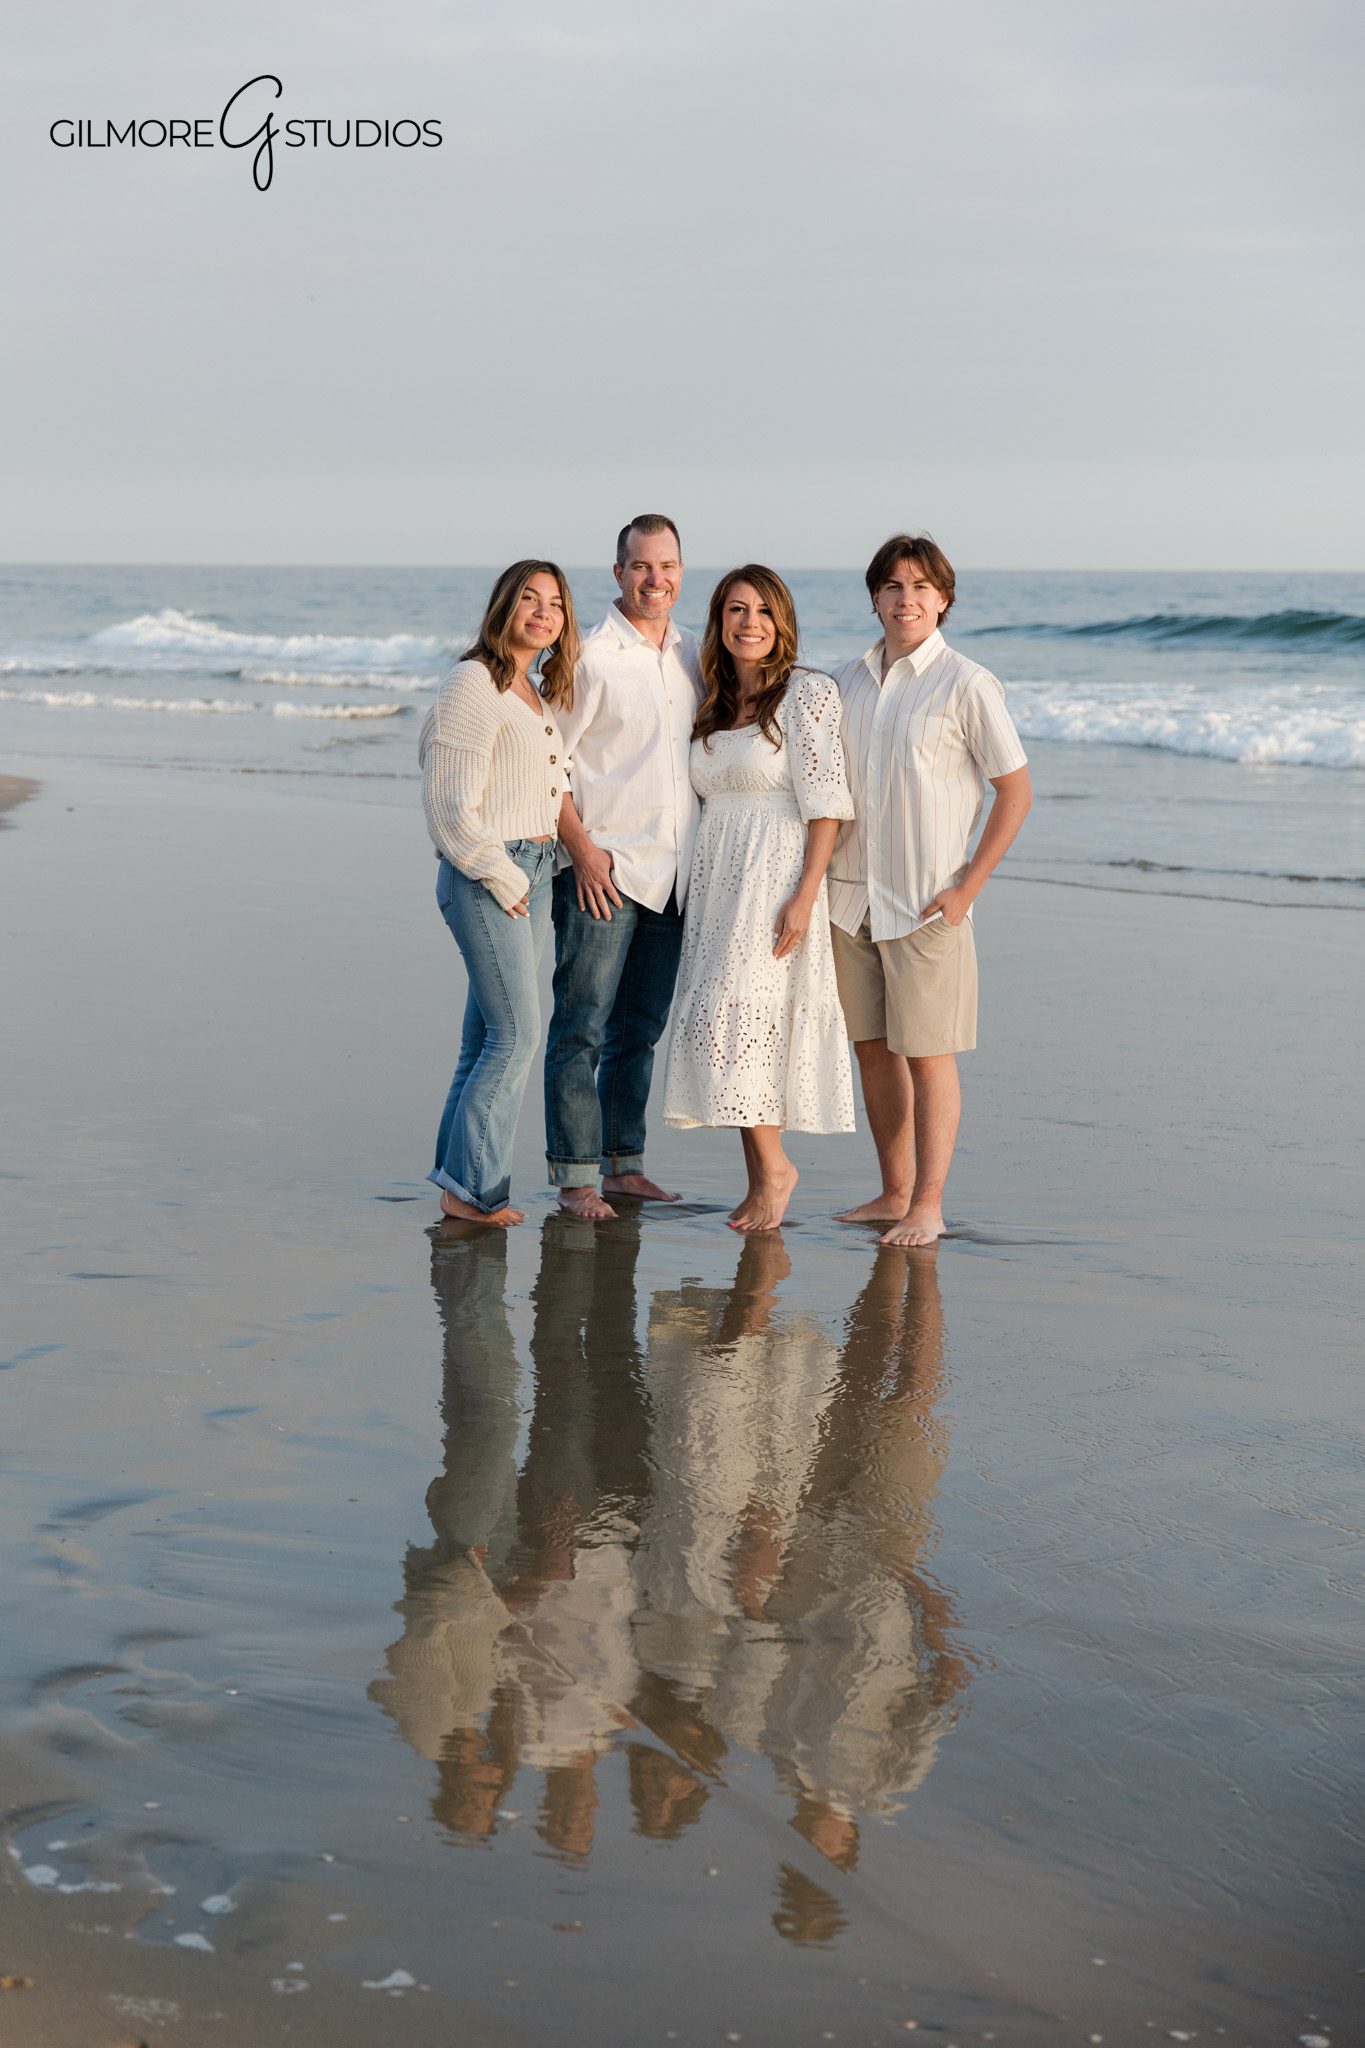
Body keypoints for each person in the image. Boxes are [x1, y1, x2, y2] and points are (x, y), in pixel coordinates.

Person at [828, 534, 1032, 1247]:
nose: (904, 598)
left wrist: (966, 889)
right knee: (873, 1050)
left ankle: (928, 1204)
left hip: (925, 903)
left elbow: (1014, 791)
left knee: (929, 1054)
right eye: (891, 585)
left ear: (943, 599)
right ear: (874, 598)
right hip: (848, 898)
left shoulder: (967, 684)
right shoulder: (843, 682)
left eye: (919, 586)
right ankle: (893, 1191)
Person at [661, 565, 855, 1230]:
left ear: (782, 624)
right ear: (718, 621)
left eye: (763, 612)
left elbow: (827, 804)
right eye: (737, 610)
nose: (750, 624)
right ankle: (760, 1177)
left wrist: (805, 896)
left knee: (746, 1023)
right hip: (717, 881)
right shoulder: (711, 700)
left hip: (775, 874)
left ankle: (776, 1171)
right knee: (731, 1025)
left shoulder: (807, 693)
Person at [544, 515, 703, 1221]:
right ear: (617, 573)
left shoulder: (695, 656)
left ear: (679, 571)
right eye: (640, 566)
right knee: (581, 1024)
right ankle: (577, 1175)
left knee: (639, 1027)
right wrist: (581, 851)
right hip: (601, 874)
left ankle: (624, 1166)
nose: (654, 580)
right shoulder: (586, 657)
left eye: (666, 566)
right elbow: (547, 766)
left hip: (673, 878)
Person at [418, 560, 580, 1225]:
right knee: (515, 1037)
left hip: (534, 870)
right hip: (491, 873)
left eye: (555, 603)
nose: (542, 612)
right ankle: (475, 1193)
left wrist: (552, 864)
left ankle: (459, 1183)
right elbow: (448, 804)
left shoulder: (534, 691)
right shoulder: (473, 681)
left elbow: (539, 788)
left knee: (485, 1036)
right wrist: (500, 871)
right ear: (503, 607)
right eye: (529, 599)